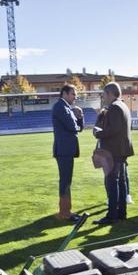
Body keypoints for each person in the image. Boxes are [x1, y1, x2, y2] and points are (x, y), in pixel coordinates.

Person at [93, 82, 133, 225]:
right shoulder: (122, 105)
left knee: (112, 182)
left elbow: (113, 130)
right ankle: (121, 214)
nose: (103, 98)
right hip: (121, 150)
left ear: (110, 94)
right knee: (120, 182)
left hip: (114, 151)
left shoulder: (115, 107)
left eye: (104, 95)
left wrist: (99, 133)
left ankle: (112, 215)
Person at [51, 84, 83, 221]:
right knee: (65, 181)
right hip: (64, 151)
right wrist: (76, 120)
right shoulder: (60, 107)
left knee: (67, 181)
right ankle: (64, 212)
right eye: (73, 94)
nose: (75, 97)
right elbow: (73, 127)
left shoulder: (66, 108)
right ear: (64, 93)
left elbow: (79, 128)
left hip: (66, 150)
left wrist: (80, 117)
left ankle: (66, 210)